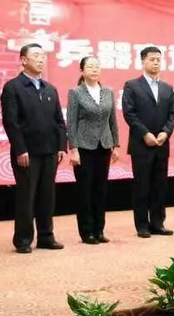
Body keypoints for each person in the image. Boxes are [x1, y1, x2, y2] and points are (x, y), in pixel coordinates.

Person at [1, 43, 67, 254]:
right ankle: (23, 239)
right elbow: (11, 122)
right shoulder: (13, 87)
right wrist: (20, 149)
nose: (41, 59)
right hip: (27, 153)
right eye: (36, 55)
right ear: (23, 60)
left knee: (47, 196)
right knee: (26, 197)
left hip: (50, 151)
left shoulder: (50, 88)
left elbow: (59, 121)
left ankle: (46, 236)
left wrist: (61, 146)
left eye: (43, 56)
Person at [122, 46, 174, 237]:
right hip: (141, 144)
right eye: (152, 59)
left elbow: (172, 114)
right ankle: (142, 225)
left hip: (161, 143)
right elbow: (129, 113)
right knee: (142, 186)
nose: (156, 63)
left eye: (158, 59)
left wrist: (166, 132)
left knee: (160, 186)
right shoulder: (132, 85)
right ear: (142, 61)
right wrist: (145, 133)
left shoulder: (167, 88)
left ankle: (158, 223)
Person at [66, 56, 120, 245]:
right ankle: (87, 232)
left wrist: (116, 145)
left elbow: (113, 120)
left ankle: (99, 229)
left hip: (104, 146)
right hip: (84, 147)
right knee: (85, 190)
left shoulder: (108, 91)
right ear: (82, 71)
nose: (94, 69)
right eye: (90, 66)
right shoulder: (76, 92)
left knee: (100, 189)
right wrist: (73, 149)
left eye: (97, 66)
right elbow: (71, 122)